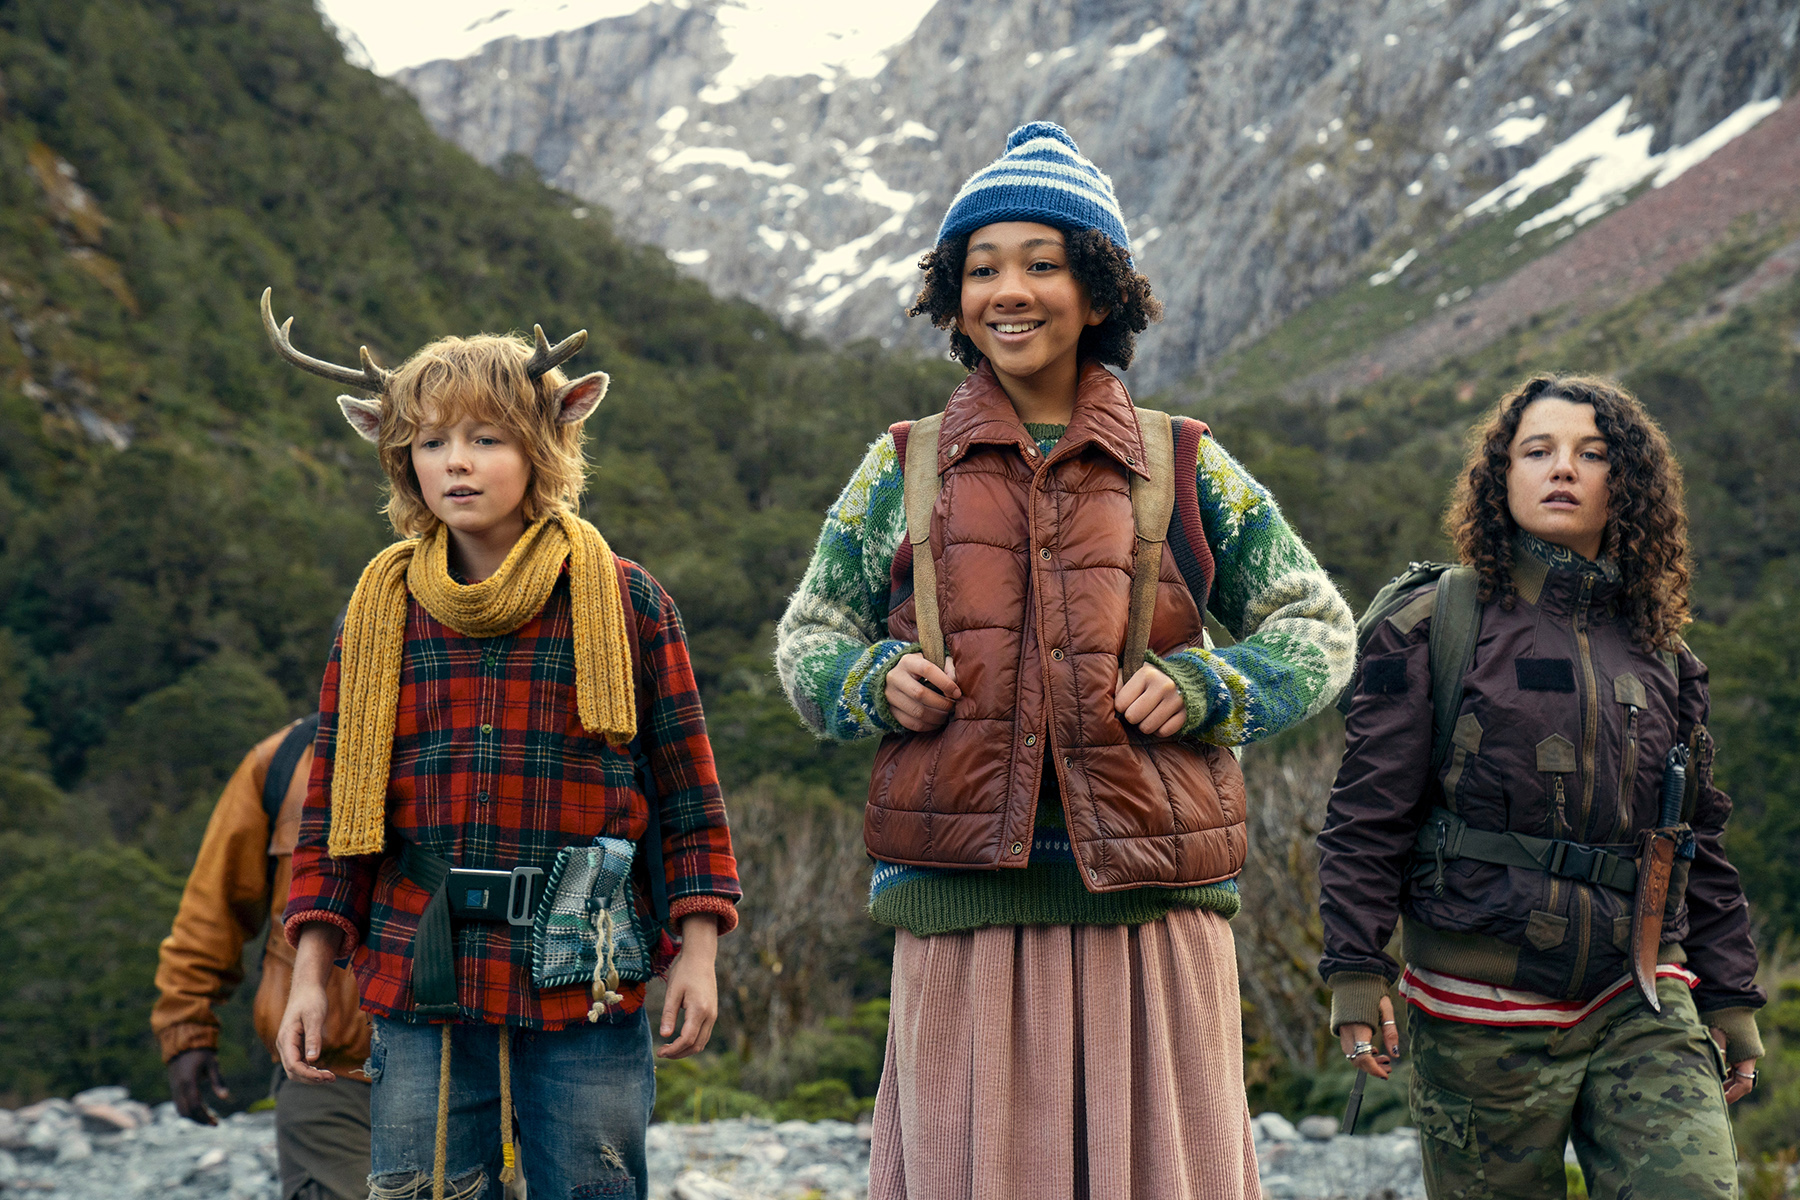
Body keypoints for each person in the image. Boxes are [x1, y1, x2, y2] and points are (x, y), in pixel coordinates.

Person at [775, 122, 1356, 1198]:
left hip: (1149, 911)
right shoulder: (900, 469)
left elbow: (1318, 627)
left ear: (1098, 290)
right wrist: (867, 685)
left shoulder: (1182, 462)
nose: (1011, 289)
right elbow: (810, 636)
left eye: (1042, 263)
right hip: (962, 914)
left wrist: (1210, 686)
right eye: (982, 267)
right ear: (951, 299)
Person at [264, 296, 741, 1200]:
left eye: (486, 438)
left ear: (547, 442)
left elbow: (687, 793)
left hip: (589, 973)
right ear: (400, 455)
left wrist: (701, 950)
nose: (457, 462)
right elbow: (334, 813)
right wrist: (312, 975)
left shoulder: (629, 603)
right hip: (421, 970)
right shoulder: (379, 616)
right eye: (431, 441)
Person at [1317, 373, 1765, 1199]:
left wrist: (1731, 994)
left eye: (1592, 454)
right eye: (1539, 450)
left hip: (1641, 997)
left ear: (1624, 484)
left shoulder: (1663, 652)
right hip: (1476, 1010)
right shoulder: (1431, 622)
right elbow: (1365, 816)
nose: (1564, 468)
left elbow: (1698, 836)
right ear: (1503, 475)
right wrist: (1355, 967)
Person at [153, 712, 374, 1200]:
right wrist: (186, 1029)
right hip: (329, 1074)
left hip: (464, 1061)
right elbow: (214, 906)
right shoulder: (282, 762)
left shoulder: (469, 751)